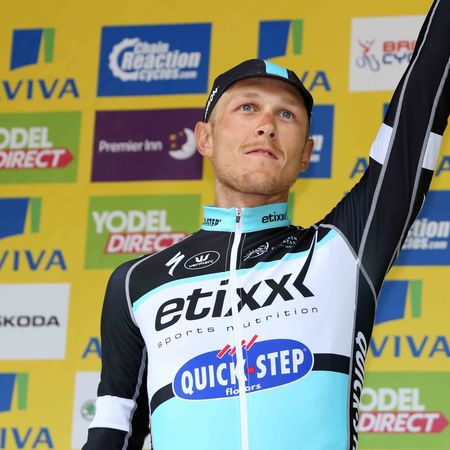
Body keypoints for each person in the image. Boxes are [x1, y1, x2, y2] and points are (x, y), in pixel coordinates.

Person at [83, 1, 449, 449]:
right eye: (247, 107)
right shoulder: (136, 283)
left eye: (286, 114)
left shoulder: (343, 250)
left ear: (307, 153)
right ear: (205, 138)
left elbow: (421, 102)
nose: (266, 126)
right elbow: (112, 431)